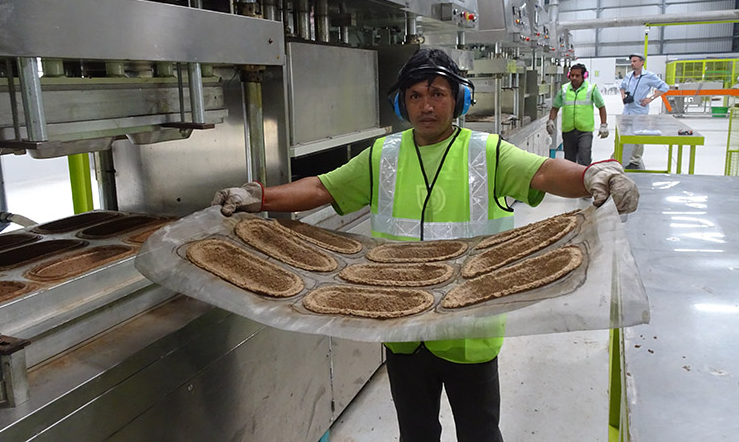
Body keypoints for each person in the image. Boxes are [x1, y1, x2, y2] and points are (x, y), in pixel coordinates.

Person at [212, 48, 639, 442]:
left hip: (469, 332)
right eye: (415, 96)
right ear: (403, 104)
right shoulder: (383, 155)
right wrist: (260, 197)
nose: (426, 105)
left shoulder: (486, 152)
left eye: (437, 93)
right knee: (415, 434)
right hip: (405, 332)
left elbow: (544, 172)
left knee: (479, 433)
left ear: (458, 100)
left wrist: (591, 175)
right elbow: (323, 188)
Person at [547, 63, 608, 166]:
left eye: (577, 76)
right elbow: (555, 107)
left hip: (585, 131)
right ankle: (571, 181)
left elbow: (601, 107)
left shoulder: (591, 89)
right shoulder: (564, 89)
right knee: (569, 162)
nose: (574, 78)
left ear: (584, 76)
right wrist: (550, 120)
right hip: (568, 131)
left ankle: (584, 180)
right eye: (572, 75)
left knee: (584, 157)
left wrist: (603, 125)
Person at [619, 52, 669, 170]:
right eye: (631, 61)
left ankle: (635, 161)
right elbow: (622, 87)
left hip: (639, 111)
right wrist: (623, 97)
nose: (632, 63)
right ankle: (620, 157)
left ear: (642, 62)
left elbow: (664, 87)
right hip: (627, 110)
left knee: (638, 136)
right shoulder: (629, 75)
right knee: (624, 134)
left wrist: (650, 99)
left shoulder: (649, 76)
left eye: (635, 61)